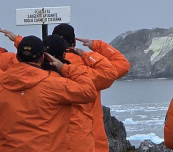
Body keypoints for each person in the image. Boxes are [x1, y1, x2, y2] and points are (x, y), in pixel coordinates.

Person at [0, 35, 98, 152]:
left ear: (18, 57)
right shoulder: (55, 85)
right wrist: (65, 68)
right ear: (42, 58)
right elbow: (89, 91)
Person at [52, 23, 131, 152]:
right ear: (73, 43)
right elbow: (122, 65)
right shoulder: (89, 69)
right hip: (91, 139)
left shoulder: (42, 67)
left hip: (53, 140)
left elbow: (20, 64)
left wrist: (19, 41)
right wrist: (95, 46)